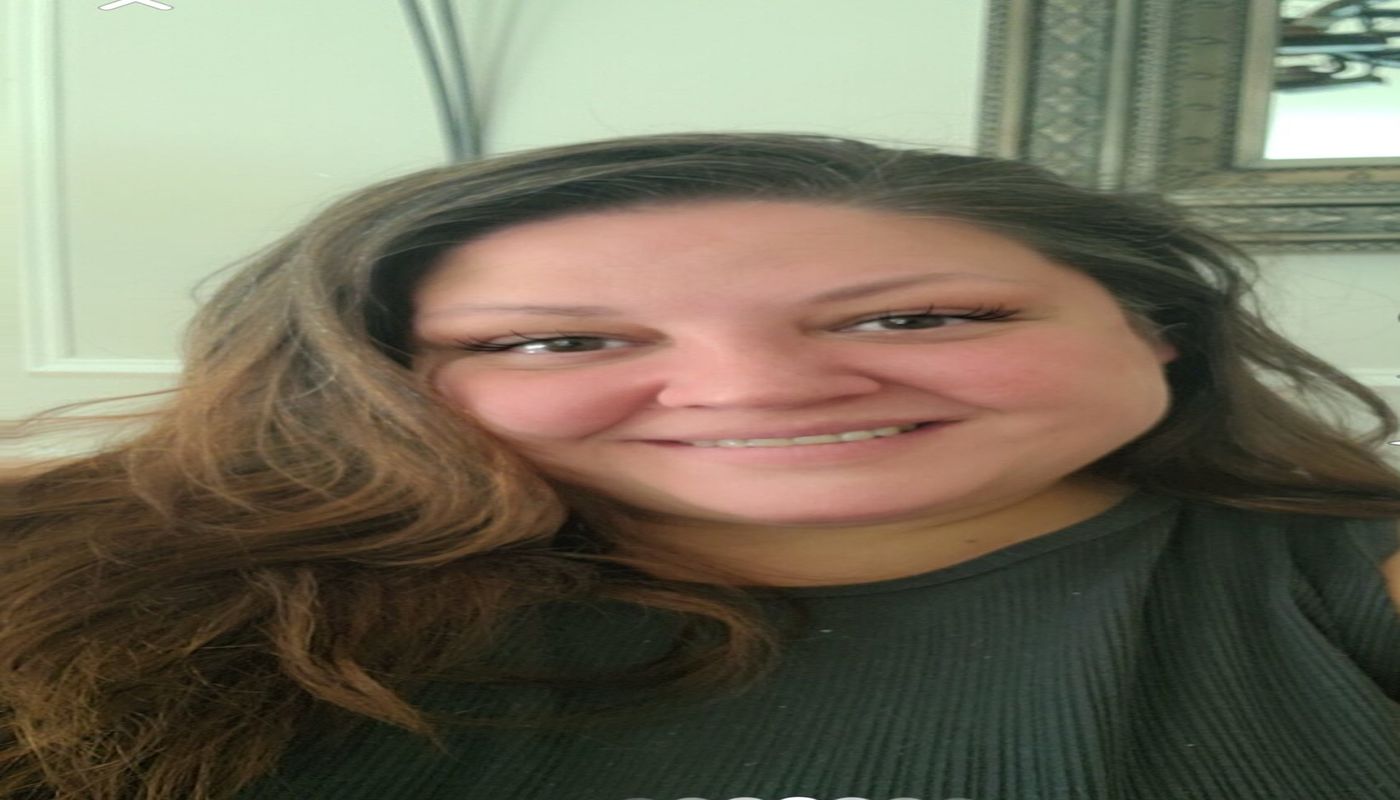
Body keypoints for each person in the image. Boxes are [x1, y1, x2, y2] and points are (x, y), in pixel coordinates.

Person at [3, 131, 1398, 800]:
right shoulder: (61, 573)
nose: (761, 390)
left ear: (1158, 330)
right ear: (372, 377)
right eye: (554, 341)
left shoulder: (1359, 584)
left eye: (922, 317)